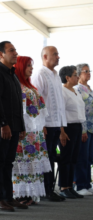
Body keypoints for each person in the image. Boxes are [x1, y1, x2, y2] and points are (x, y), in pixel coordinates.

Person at [0, 41, 27, 212]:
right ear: (1, 55)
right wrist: (3, 124)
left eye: (15, 50)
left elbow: (18, 104)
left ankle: (8, 197)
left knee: (8, 163)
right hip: (1, 128)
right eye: (11, 50)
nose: (15, 53)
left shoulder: (13, 75)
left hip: (14, 126)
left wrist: (21, 126)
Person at [12, 56, 52, 205]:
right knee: (22, 162)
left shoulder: (30, 86)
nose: (31, 68)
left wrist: (42, 127)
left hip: (35, 133)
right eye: (28, 65)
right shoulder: (18, 86)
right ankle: (22, 195)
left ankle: (31, 194)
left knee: (32, 164)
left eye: (31, 65)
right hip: (24, 131)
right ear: (21, 67)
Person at [31, 46, 67, 202]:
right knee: (45, 158)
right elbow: (36, 100)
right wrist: (41, 125)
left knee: (52, 156)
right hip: (45, 125)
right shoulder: (39, 74)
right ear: (45, 57)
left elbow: (60, 104)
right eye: (55, 54)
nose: (58, 57)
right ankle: (45, 190)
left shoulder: (56, 75)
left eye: (58, 54)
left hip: (55, 124)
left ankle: (50, 189)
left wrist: (62, 128)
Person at [57, 66, 85, 199]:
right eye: (75, 74)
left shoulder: (75, 91)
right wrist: (61, 131)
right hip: (66, 127)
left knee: (74, 158)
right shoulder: (62, 92)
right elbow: (60, 112)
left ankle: (70, 186)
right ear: (67, 78)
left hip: (77, 127)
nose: (78, 76)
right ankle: (63, 187)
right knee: (65, 158)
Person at [74, 63, 93, 195]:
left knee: (90, 157)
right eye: (85, 71)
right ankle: (80, 185)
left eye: (89, 71)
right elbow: (79, 110)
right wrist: (82, 130)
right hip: (84, 128)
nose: (88, 73)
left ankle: (87, 183)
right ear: (79, 74)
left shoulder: (89, 88)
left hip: (92, 127)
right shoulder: (77, 89)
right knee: (82, 157)